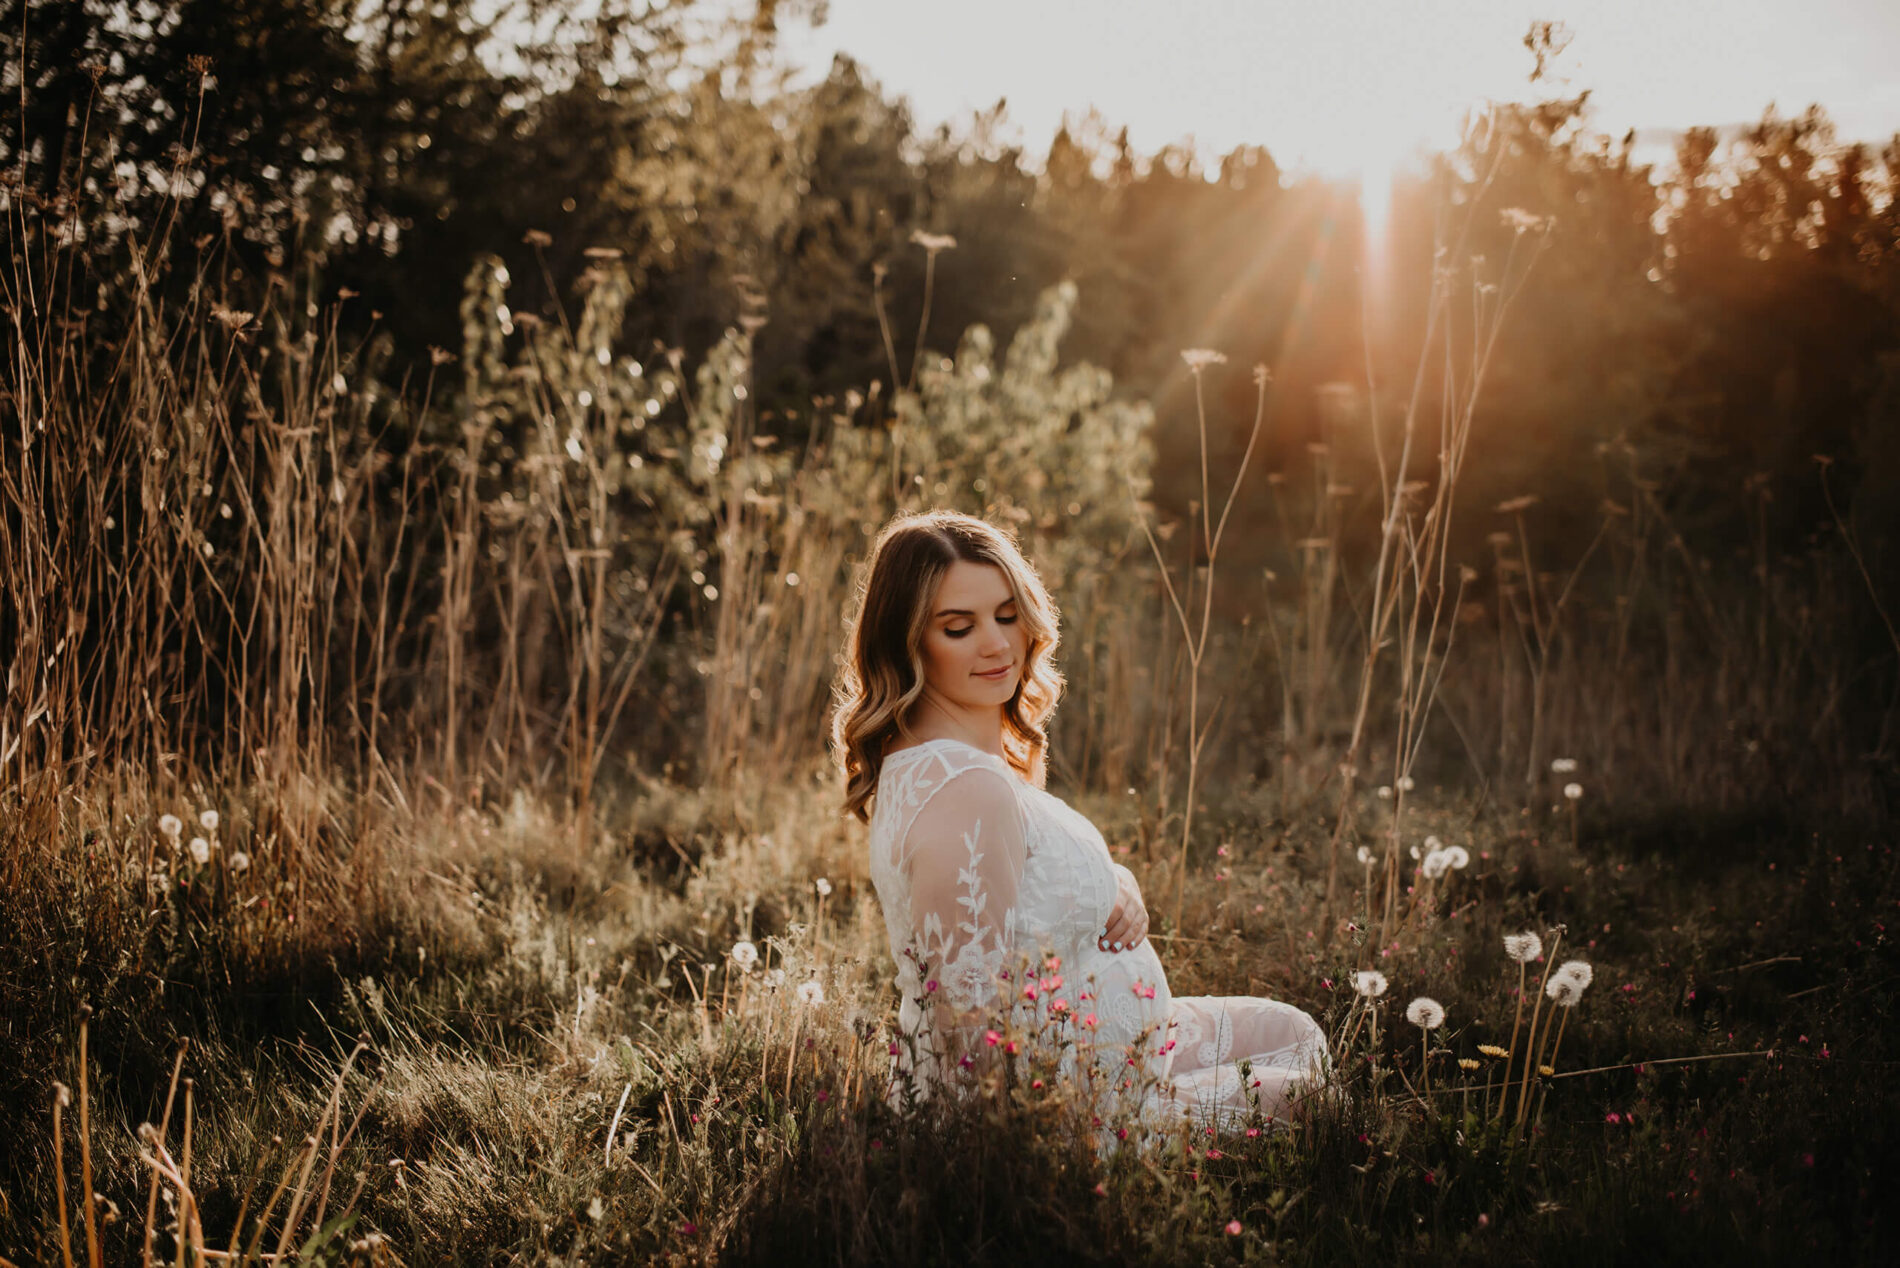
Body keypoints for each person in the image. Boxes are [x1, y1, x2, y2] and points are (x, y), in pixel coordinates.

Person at [831, 509, 1328, 1143]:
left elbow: (1023, 889)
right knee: (1313, 1095)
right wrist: (1064, 1136)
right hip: (1074, 1111)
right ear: (905, 642)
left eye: (1007, 615)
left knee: (1295, 1033)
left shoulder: (951, 763)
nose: (998, 644)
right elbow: (967, 1033)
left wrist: (1113, 883)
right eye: (959, 627)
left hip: (1112, 1055)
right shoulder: (965, 790)